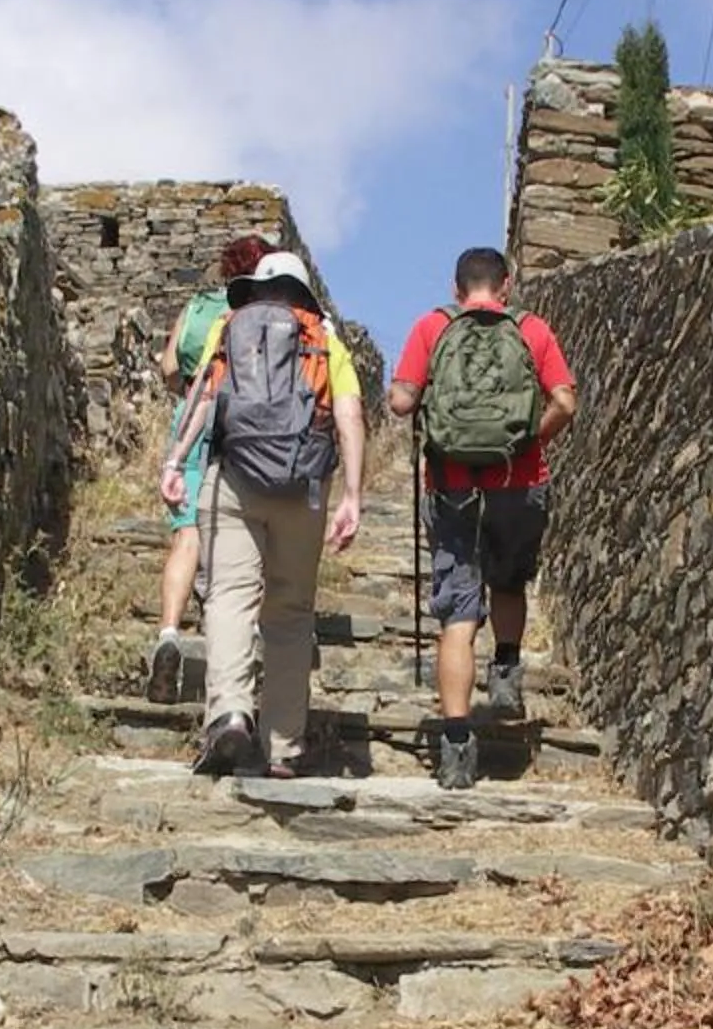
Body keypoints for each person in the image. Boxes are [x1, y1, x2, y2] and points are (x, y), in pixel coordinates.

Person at [160, 249, 365, 778]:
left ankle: (230, 711)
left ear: (257, 287)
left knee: (229, 594)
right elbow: (349, 412)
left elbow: (203, 395)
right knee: (291, 613)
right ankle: (283, 749)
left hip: (234, 478)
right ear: (302, 292)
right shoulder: (324, 337)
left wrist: (176, 461)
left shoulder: (231, 325)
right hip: (305, 485)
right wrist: (353, 495)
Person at [388, 246, 577, 792]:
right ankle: (507, 673)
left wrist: (406, 396)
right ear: (507, 285)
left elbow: (402, 403)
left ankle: (454, 747)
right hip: (519, 485)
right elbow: (565, 402)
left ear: (456, 287)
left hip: (450, 488)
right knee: (509, 582)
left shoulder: (432, 327)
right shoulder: (532, 329)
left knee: (457, 613)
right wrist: (524, 443)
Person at [146, 231, 268, 703]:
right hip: (243, 424)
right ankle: (240, 647)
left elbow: (169, 368)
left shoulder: (197, 307)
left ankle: (169, 635)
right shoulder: (260, 313)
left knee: (187, 537)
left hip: (191, 419)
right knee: (242, 538)